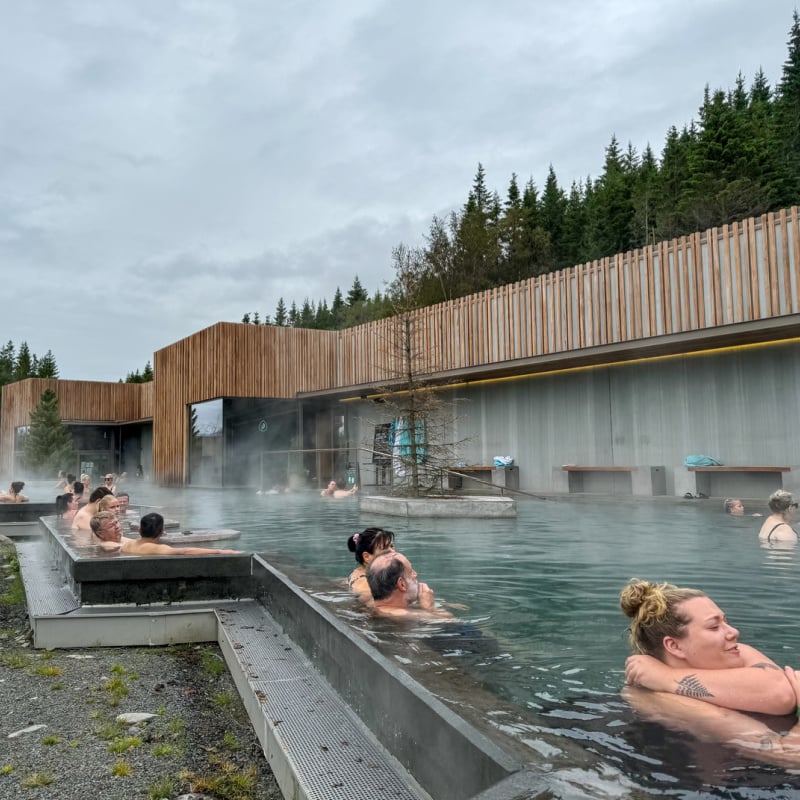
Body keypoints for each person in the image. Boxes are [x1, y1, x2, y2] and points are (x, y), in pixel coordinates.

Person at [620, 578, 794, 715]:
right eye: (714, 627)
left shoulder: (736, 652)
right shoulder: (658, 700)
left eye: (726, 622)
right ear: (674, 646)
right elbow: (783, 695)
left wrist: (665, 677)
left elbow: (779, 690)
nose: (734, 632)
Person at [366, 550, 451, 619]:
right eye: (411, 572)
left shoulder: (371, 606)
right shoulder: (405, 615)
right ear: (402, 584)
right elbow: (451, 622)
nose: (416, 574)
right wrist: (430, 608)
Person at [123, 513, 239, 556]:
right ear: (161, 532)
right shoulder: (158, 549)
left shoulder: (127, 545)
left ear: (139, 531)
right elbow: (185, 551)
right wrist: (220, 551)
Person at [346, 527, 395, 602]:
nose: (392, 552)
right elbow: (380, 609)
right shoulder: (366, 586)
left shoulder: (361, 574)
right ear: (367, 557)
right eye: (384, 549)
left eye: (391, 546)